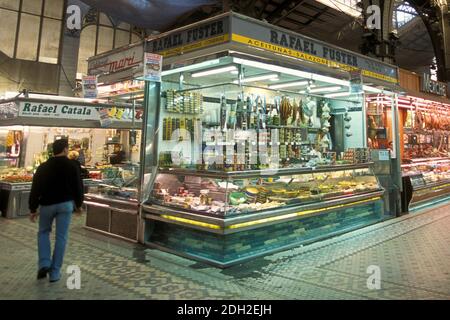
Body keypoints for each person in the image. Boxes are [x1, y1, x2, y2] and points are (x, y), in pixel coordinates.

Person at [29, 139, 84, 283]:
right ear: (65, 150)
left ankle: (44, 263)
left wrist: (33, 208)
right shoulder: (72, 166)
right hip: (65, 205)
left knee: (43, 232)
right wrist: (79, 205)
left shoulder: (43, 167)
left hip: (47, 205)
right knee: (61, 237)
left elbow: (35, 189)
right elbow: (78, 187)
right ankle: (55, 273)